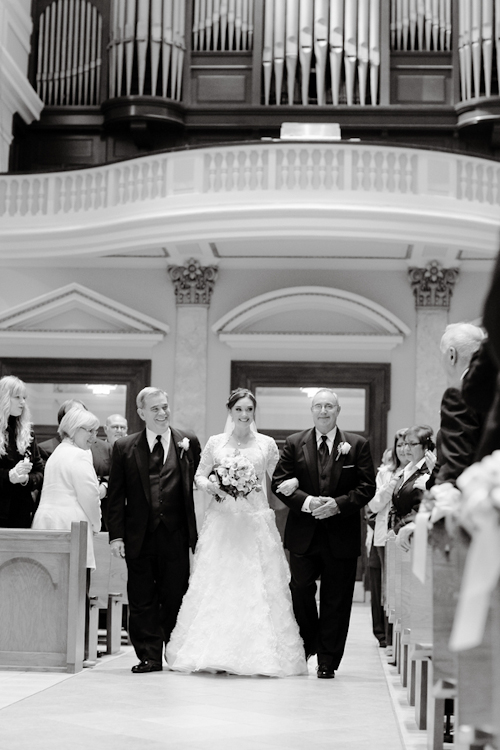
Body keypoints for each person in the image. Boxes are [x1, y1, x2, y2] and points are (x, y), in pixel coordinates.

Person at [166, 388, 307, 677]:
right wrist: (213, 486)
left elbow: (277, 476)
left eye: (249, 410)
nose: (244, 415)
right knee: (218, 584)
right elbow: (200, 475)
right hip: (223, 522)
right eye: (239, 409)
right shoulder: (216, 443)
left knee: (257, 586)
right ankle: (213, 652)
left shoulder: (266, 444)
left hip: (255, 523)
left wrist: (295, 484)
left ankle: (259, 655)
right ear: (230, 411)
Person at [271, 388, 376, 679]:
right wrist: (306, 502)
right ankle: (311, 640)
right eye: (318, 406)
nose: (323, 411)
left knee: (337, 599)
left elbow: (367, 487)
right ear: (312, 411)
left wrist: (338, 505)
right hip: (304, 533)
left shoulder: (357, 444)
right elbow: (279, 481)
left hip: (340, 535)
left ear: (338, 411)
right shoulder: (294, 443)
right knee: (300, 589)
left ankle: (328, 660)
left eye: (329, 406)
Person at [106, 387, 201, 674]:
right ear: (142, 413)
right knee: (142, 597)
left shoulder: (188, 441)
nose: (162, 413)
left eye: (165, 407)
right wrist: (116, 535)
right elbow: (115, 496)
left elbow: (200, 480)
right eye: (155, 409)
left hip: (175, 533)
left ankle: (173, 651)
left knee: (175, 595)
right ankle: (148, 655)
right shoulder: (124, 447)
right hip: (139, 534)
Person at [32, 407, 102, 569]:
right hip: (71, 529)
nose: (94, 437)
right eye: (90, 431)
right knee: (75, 590)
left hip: (46, 524)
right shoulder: (79, 455)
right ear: (74, 429)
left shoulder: (57, 454)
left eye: (96, 431)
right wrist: (96, 525)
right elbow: (90, 497)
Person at [366, 429, 409, 648]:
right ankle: (382, 633)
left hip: (403, 535)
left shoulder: (418, 472)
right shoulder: (385, 472)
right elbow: (373, 505)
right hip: (383, 535)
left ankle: (396, 635)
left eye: (407, 444)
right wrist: (390, 485)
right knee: (381, 585)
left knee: (398, 587)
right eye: (399, 445)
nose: (403, 449)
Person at [0, 375, 44, 528]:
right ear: (4, 398)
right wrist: (8, 476)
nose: (23, 402)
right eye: (17, 397)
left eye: (24, 397)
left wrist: (25, 479)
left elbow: (40, 472)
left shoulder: (27, 431)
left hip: (22, 512)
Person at [389, 425, 436, 534]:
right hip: (396, 532)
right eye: (405, 443)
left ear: (426, 447)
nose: (406, 448)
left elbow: (420, 507)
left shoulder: (429, 471)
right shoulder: (406, 470)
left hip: (414, 532)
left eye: (413, 444)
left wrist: (397, 529)